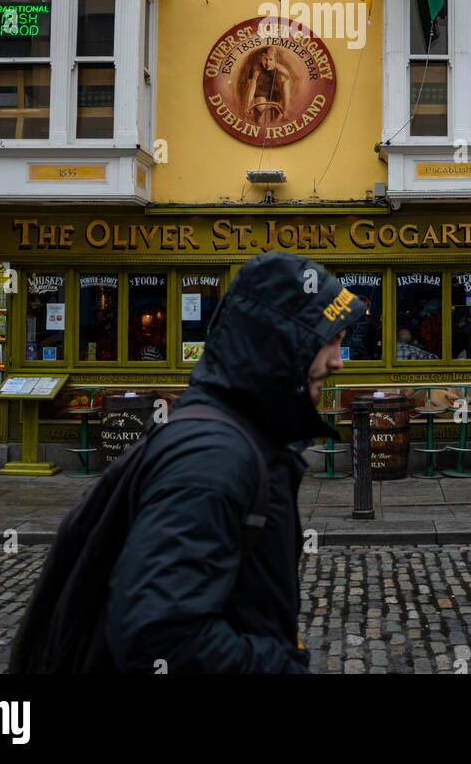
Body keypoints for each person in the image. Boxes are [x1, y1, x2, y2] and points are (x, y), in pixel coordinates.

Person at [104, 250, 367, 673]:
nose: (337, 361)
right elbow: (157, 635)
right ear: (281, 343)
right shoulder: (213, 458)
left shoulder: (245, 435)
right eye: (327, 340)